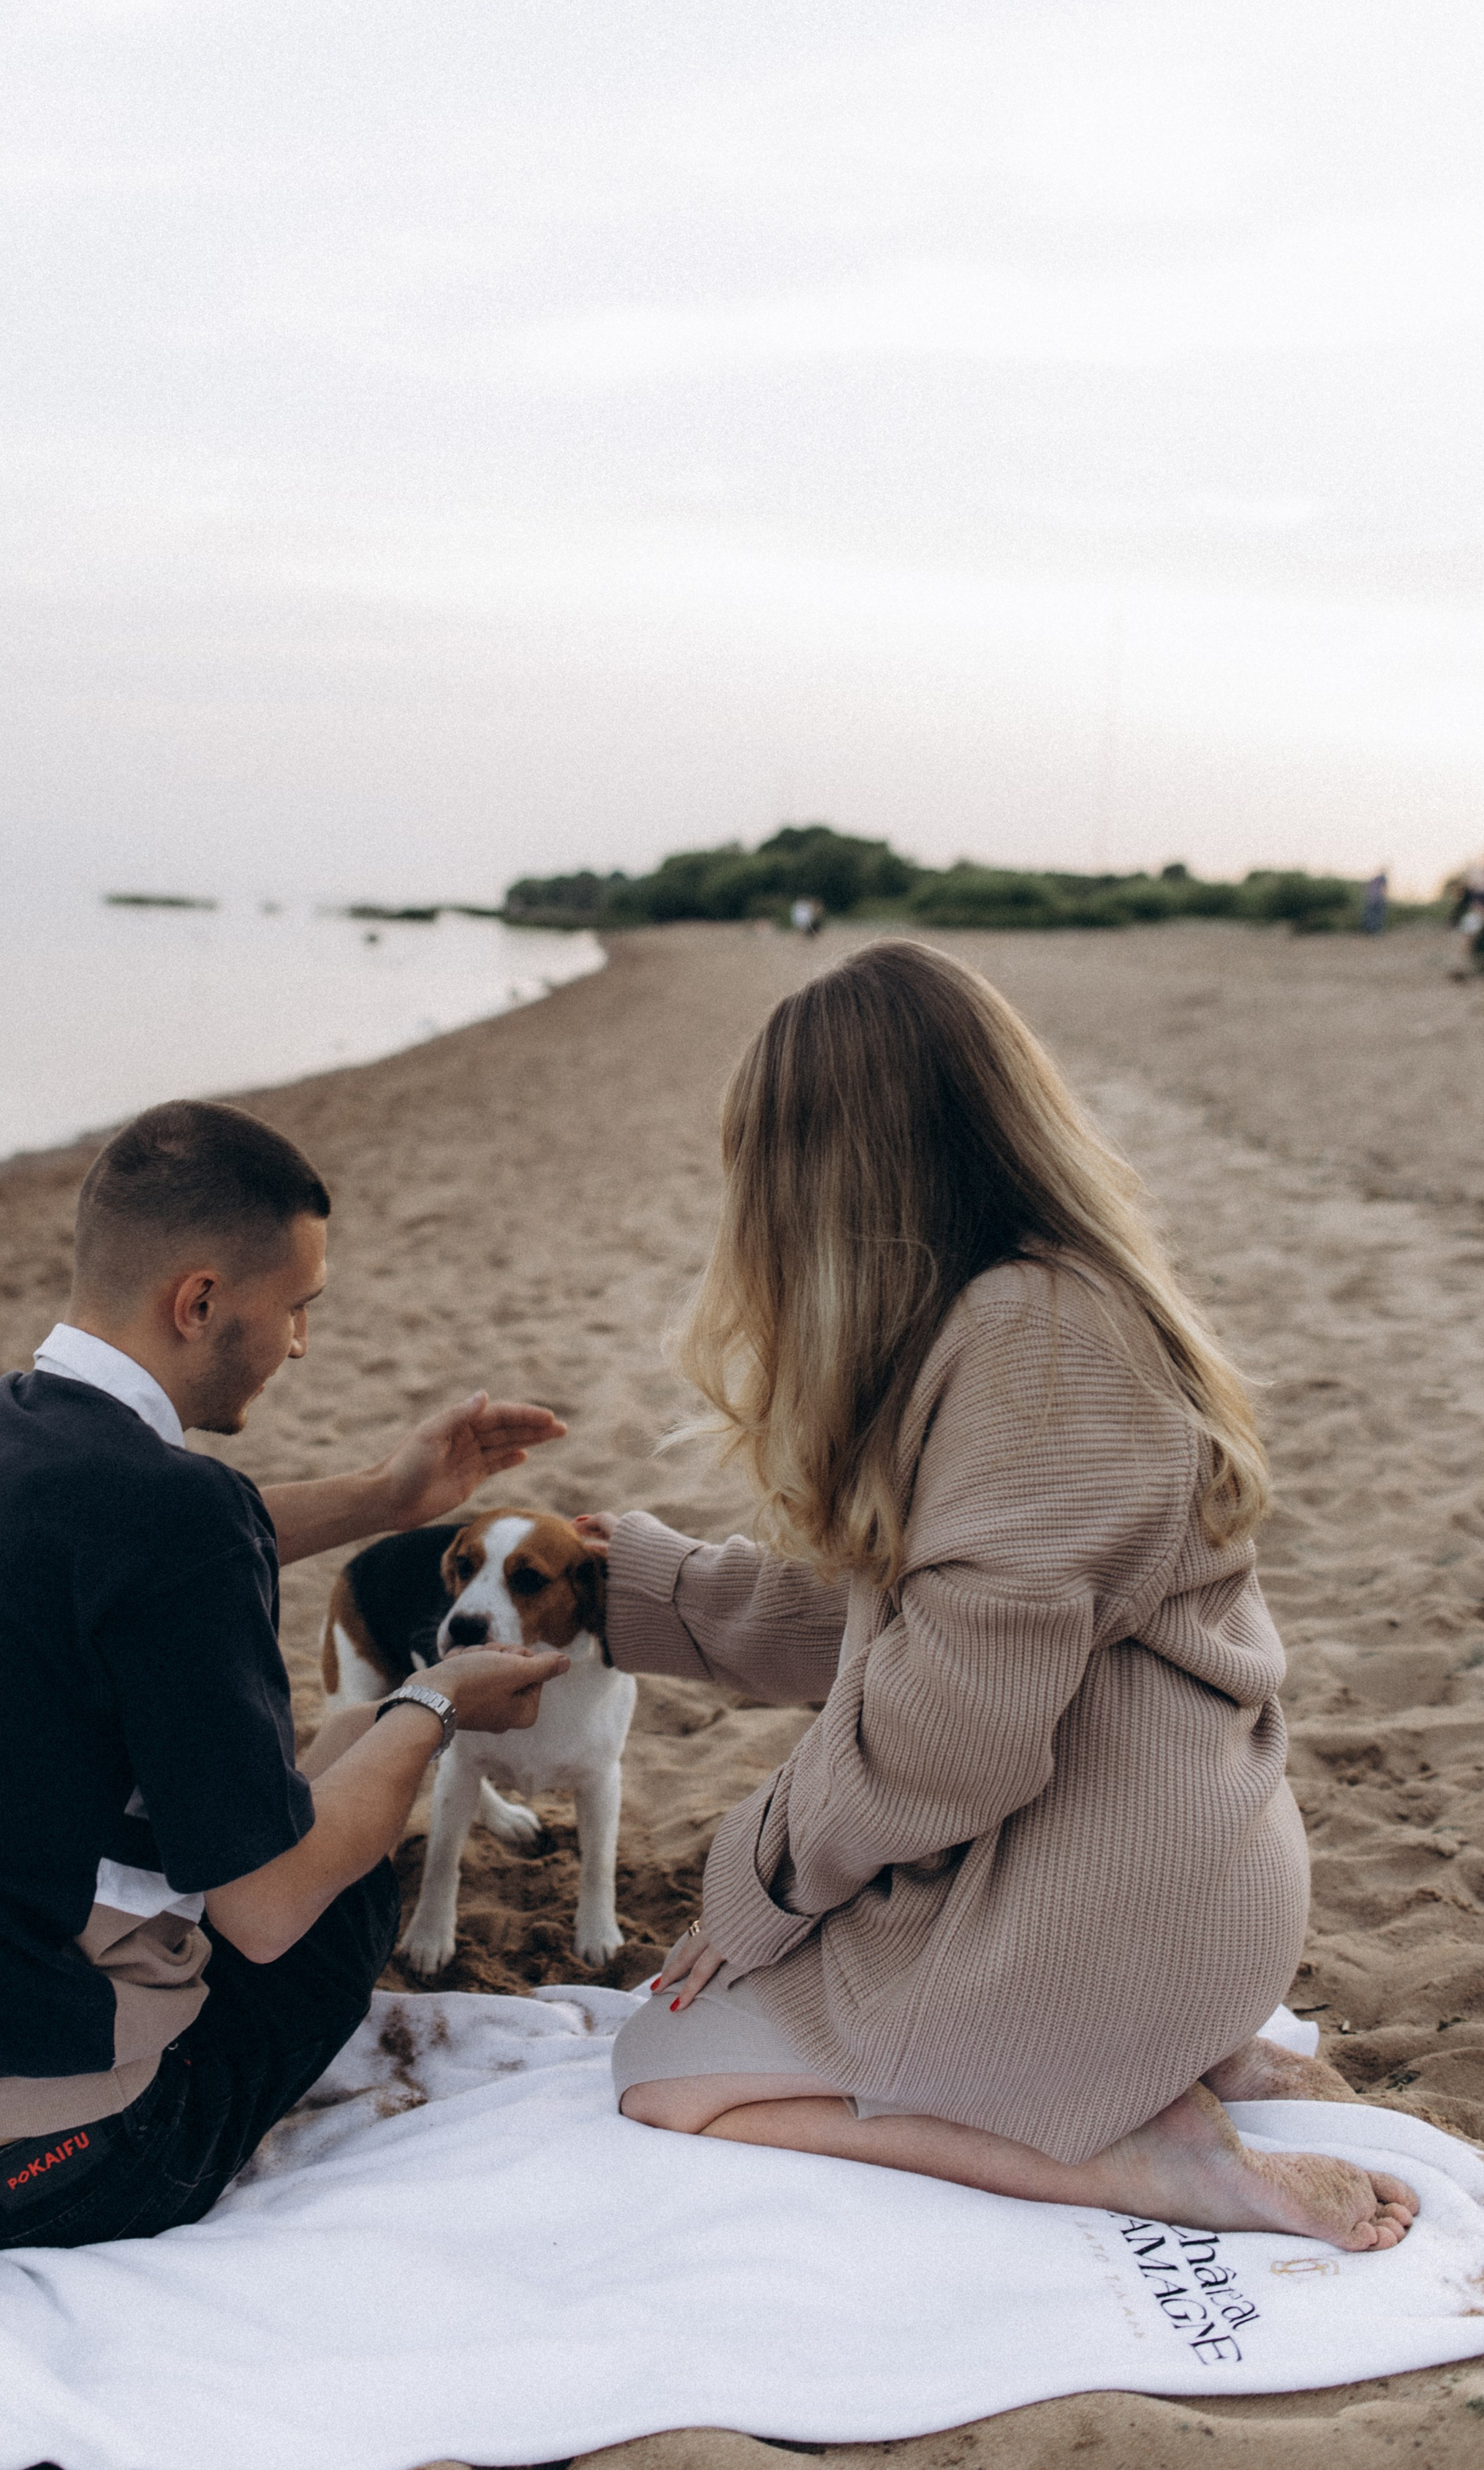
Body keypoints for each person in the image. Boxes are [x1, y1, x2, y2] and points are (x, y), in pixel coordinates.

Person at [585, 942, 1416, 2253]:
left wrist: (760, 1883)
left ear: (835, 1181)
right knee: (750, 2002)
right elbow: (903, 1625)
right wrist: (625, 1590)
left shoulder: (1034, 1344)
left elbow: (948, 1734)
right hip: (1166, 1869)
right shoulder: (1031, 1308)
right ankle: (1166, 2057)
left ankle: (1129, 2156)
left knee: (661, 2070)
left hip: (1119, 1905)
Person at [0, 1098, 569, 2251]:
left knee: (296, 1773)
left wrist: (385, 1497)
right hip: (60, 2171)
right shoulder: (177, 1518)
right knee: (343, 1857)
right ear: (201, 1301)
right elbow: (268, 1915)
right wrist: (432, 1705)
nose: (300, 1345)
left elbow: (141, 1552)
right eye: (297, 1311)